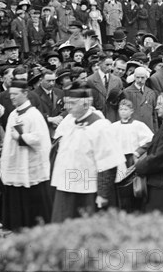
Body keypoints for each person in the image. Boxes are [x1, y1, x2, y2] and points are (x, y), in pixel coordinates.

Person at [51, 89, 126, 221]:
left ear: (86, 105)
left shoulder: (100, 126)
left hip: (88, 191)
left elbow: (108, 163)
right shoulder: (70, 124)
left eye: (73, 103)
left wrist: (103, 194)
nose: (68, 107)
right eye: (67, 103)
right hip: (67, 186)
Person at [0, 80, 52, 230]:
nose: (12, 97)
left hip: (30, 163)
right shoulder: (12, 114)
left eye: (15, 94)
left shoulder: (34, 115)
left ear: (25, 93)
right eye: (10, 94)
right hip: (15, 161)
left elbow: (40, 139)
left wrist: (21, 138)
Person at [86, 54, 124, 123]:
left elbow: (121, 100)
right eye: (107, 65)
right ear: (99, 63)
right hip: (97, 119)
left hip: (113, 117)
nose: (110, 68)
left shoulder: (117, 80)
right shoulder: (90, 80)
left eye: (111, 65)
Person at [121, 66, 158, 131]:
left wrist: (155, 130)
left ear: (146, 77)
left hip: (148, 128)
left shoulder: (151, 93)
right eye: (137, 77)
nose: (140, 80)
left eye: (142, 77)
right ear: (134, 77)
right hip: (133, 128)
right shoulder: (127, 92)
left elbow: (154, 114)